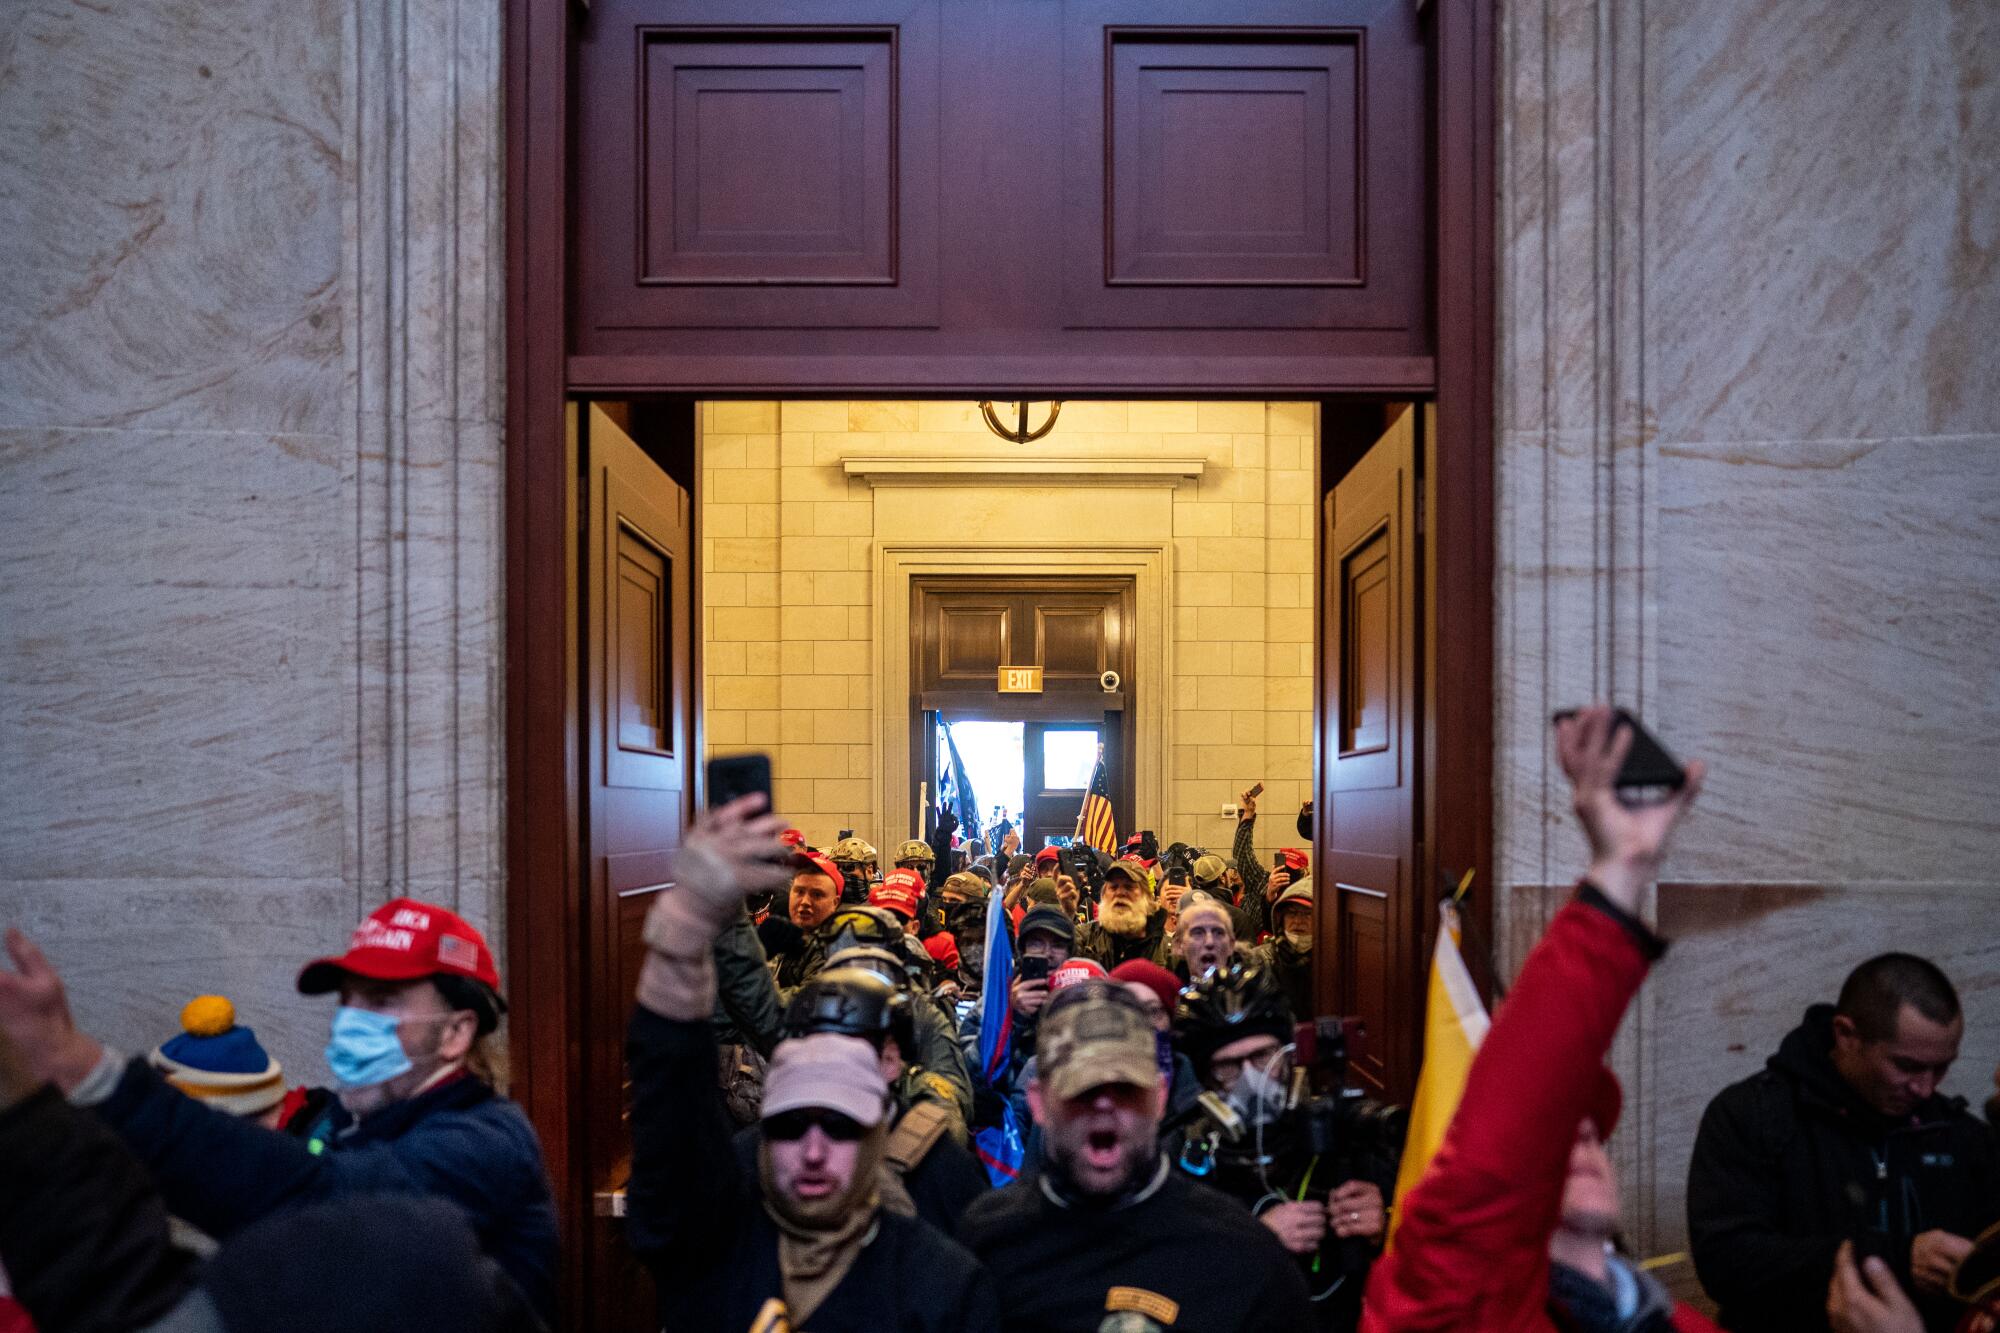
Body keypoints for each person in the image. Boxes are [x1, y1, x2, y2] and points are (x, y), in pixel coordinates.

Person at [0, 900, 559, 1319]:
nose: (349, 1020)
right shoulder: (349, 1120)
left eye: (382, 1002)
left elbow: (323, 1207)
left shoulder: (486, 1143)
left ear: (457, 1033)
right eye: (348, 1000)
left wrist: (85, 1068)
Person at [1362, 704, 1716, 1333]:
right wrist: (1621, 872)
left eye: (1588, 1132)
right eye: (1553, 1131)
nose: (1580, 1140)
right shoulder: (1450, 1304)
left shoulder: (1683, 1324)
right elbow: (1509, 1121)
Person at [624, 795, 999, 1332]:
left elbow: (949, 1104)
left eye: (843, 1127)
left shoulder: (941, 1258)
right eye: (792, 1126)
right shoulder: (731, 1207)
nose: (815, 1151)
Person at [959, 980, 1315, 1330]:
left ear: (1160, 1097)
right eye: (1080, 1090)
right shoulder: (990, 1239)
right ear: (1038, 1102)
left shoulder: (1242, 1254)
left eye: (1125, 1089)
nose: (1103, 1106)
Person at [1688, 952, 2000, 1332]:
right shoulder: (1751, 1115)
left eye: (1942, 1066)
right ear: (1846, 1035)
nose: (1926, 1087)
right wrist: (1895, 1262)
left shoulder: (1959, 1132)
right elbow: (1727, 1263)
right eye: (1907, 1066)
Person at [1173, 961, 1393, 1330]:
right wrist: (1254, 1244)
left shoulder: (1346, 1133)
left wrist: (1383, 1228)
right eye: (1229, 1066)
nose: (1252, 1081)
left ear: (1290, 1056)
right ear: (1205, 1078)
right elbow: (1168, 1286)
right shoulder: (1182, 1157)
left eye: (1263, 1058)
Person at [758, 967, 989, 1236]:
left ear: (891, 1060)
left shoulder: (943, 1168)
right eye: (816, 1050)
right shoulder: (756, 1153)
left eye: (853, 1053)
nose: (814, 1153)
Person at [1074, 857, 1169, 969]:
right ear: (1103, 895)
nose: (1120, 893)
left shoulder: (1167, 949)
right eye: (1113, 887)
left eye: (1129, 887)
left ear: (1147, 896)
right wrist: (1068, 913)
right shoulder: (1086, 938)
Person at [771, 849, 846, 989]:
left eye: (817, 895)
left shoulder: (833, 950)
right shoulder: (786, 939)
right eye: (799, 892)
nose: (805, 901)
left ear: (835, 903)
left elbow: (801, 1002)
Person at [1253, 877, 1316, 1022]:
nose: (1298, 921)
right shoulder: (1259, 959)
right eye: (1292, 913)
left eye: (1307, 914)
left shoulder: (1330, 960)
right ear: (1280, 918)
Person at [1172, 893, 1238, 983]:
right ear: (1179, 945)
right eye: (1198, 933)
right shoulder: (1166, 994)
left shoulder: (1252, 994)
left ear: (1231, 944)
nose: (1209, 942)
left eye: (1218, 933)